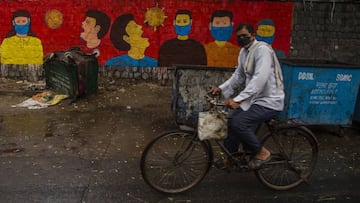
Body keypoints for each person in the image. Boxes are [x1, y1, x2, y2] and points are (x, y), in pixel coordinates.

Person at [211, 23, 285, 169]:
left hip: (269, 101)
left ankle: (262, 153)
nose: (242, 39)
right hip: (254, 99)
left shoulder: (262, 50)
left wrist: (238, 99)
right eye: (239, 37)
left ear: (253, 35)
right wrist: (221, 88)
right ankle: (230, 157)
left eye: (245, 36)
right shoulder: (244, 52)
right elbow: (238, 76)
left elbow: (259, 79)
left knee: (239, 123)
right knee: (231, 121)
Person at [0, 9, 43, 82]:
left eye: (23, 21)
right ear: (13, 23)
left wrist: (16, 57)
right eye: (18, 22)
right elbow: (4, 59)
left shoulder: (36, 41)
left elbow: (38, 59)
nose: (21, 24)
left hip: (32, 76)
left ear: (28, 21)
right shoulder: (7, 42)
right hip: (9, 76)